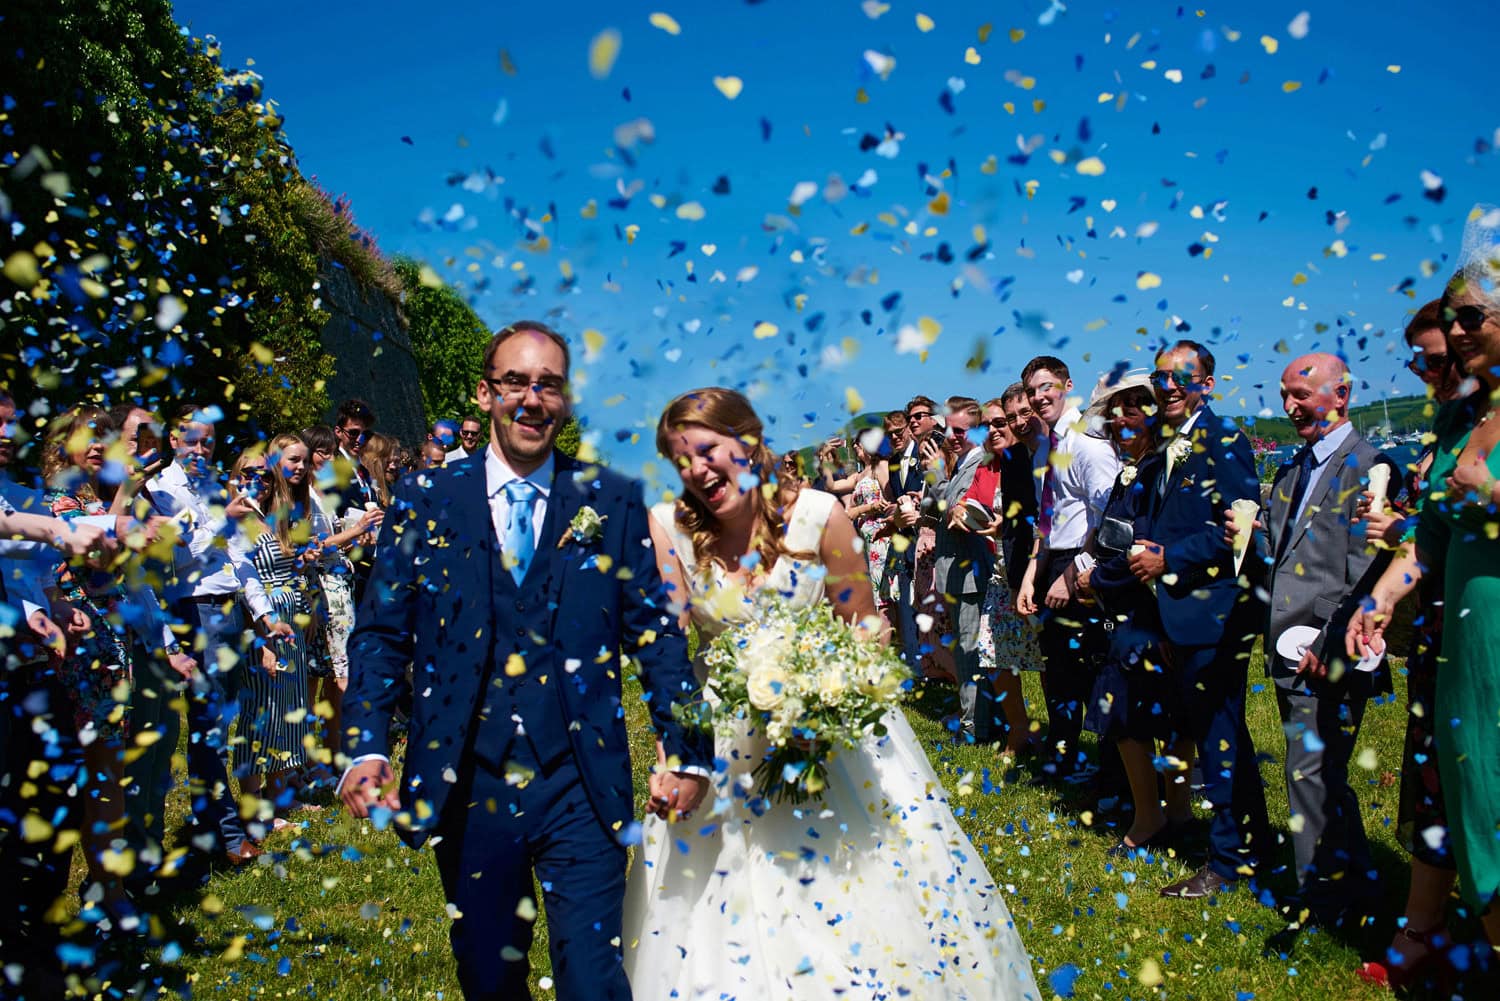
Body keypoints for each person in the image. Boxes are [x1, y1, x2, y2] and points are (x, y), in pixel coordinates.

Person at [623, 386, 1040, 1001]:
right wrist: (672, 758)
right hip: (723, 746)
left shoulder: (819, 514)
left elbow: (866, 628)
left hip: (827, 736)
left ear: (748, 440)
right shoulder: (668, 529)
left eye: (707, 450)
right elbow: (667, 660)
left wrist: (832, 698)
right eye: (681, 460)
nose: (698, 471)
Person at [338, 321, 712, 1001]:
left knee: (594, 980)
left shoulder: (612, 500)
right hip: (467, 782)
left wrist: (687, 748)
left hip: (579, 779)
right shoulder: (424, 500)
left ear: (565, 402)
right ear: (485, 394)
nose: (532, 398)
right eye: (516, 381)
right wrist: (364, 745)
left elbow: (658, 635)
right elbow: (380, 633)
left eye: (549, 384)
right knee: (489, 978)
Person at [1348, 260, 1500, 964]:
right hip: (1465, 651)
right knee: (1476, 801)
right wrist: (1377, 602)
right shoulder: (1462, 414)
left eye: (1472, 317)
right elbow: (1431, 536)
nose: (1456, 330)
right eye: (1452, 317)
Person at [1232, 355, 1398, 925]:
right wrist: (1251, 537)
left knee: (1310, 772)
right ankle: (1356, 883)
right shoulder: (1292, 469)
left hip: (1330, 648)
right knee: (1318, 773)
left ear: (1342, 393)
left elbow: (1369, 572)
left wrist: (1326, 645)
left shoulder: (1369, 466)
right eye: (1284, 396)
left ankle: (1321, 899)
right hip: (1287, 646)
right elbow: (1284, 555)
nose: (1289, 408)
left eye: (1300, 394)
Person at [41, 406, 194, 928]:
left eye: (104, 438)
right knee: (80, 781)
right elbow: (100, 557)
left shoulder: (94, 501)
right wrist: (128, 500)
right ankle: (63, 898)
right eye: (87, 437)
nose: (97, 447)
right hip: (71, 658)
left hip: (112, 655)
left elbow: (127, 571)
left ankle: (107, 888)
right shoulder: (53, 502)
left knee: (109, 774)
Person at [1132, 340, 1269, 899]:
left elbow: (1238, 528)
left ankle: (1230, 859)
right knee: (1219, 734)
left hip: (1214, 613)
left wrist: (1169, 559)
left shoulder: (1224, 439)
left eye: (1181, 379)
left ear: (1206, 385)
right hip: (1180, 613)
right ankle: (1246, 844)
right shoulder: (1170, 443)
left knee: (1220, 737)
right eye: (1162, 378)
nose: (1168, 387)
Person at [1354, 299, 1465, 987]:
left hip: (1486, 630)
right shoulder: (1450, 426)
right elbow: (1433, 535)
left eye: (1436, 360)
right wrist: (1381, 595)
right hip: (1440, 632)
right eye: (1420, 360)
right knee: (1434, 785)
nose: (1426, 372)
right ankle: (1421, 930)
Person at [0, 391, 116, 993]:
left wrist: (56, 605)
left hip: (33, 670)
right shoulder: (37, 503)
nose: (4, 430)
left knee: (53, 805)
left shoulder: (14, 490)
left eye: (8, 421)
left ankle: (37, 942)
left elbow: (32, 563)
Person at [146, 405, 283, 866]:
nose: (201, 449)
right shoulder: (161, 491)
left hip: (231, 614)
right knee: (208, 730)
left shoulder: (212, 490)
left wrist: (263, 616)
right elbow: (179, 558)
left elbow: (239, 561)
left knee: (223, 722)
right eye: (192, 440)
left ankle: (218, 827)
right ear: (172, 441)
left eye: (208, 441)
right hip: (197, 610)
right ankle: (223, 835)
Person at [1071, 372, 1192, 856]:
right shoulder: (1134, 467)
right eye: (1115, 409)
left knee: (1133, 716)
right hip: (1135, 612)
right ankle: (1166, 813)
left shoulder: (1161, 468)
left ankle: (1155, 817)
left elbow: (1153, 547)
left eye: (1134, 406)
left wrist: (1095, 581)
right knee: (1142, 715)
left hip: (1155, 615)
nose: (1122, 416)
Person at [1015, 356, 1120, 779]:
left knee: (1093, 672)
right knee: (1058, 673)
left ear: (1067, 385)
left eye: (1046, 388)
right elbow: (1048, 518)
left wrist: (1074, 570)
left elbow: (1108, 516)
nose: (1039, 398)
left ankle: (1111, 771)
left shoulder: (1088, 444)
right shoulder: (1046, 448)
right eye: (1032, 392)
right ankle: (1063, 758)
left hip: (1084, 564)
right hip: (1052, 560)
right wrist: (1032, 574)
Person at [232, 437, 322, 825]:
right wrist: (263, 639)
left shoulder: (271, 515)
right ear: (236, 478)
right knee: (261, 713)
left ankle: (282, 794)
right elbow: (241, 583)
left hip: (290, 622)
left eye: (265, 478)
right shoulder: (236, 520)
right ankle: (253, 806)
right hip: (263, 623)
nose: (260, 484)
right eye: (249, 477)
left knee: (289, 709)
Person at [956, 397, 1040, 752]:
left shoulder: (1031, 459)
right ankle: (1019, 727)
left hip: (1032, 569)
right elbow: (966, 500)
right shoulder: (988, 467)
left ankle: (1056, 736)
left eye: (1000, 423)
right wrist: (961, 512)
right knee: (993, 655)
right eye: (988, 425)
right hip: (1000, 574)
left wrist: (1012, 524)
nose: (993, 430)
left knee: (1045, 660)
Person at [931, 396, 992, 740]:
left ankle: (975, 726)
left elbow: (959, 509)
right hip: (957, 571)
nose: (952, 436)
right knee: (966, 649)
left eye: (960, 430)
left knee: (971, 652)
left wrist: (937, 474)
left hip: (969, 572)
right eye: (949, 430)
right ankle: (978, 718)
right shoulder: (963, 460)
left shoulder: (976, 461)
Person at [840, 430, 896, 626]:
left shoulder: (880, 467)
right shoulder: (862, 473)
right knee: (878, 596)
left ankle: (885, 648)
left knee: (884, 598)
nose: (858, 449)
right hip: (869, 542)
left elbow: (889, 501)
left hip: (882, 537)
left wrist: (865, 509)